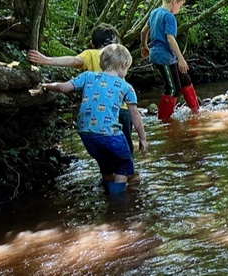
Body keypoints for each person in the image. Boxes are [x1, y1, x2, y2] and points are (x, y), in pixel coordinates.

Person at [40, 44, 148, 195]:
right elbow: (134, 115)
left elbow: (63, 88)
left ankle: (108, 192)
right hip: (111, 134)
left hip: (86, 134)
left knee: (105, 165)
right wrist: (142, 138)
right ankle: (118, 206)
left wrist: (45, 85)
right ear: (124, 64)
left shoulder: (88, 76)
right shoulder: (126, 87)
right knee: (123, 166)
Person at [27, 23, 138, 153]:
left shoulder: (91, 54)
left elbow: (74, 61)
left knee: (104, 152)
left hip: (99, 114)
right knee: (126, 152)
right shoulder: (120, 56)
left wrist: (46, 60)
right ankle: (128, 172)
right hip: (122, 110)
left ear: (92, 43)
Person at [141, 0, 199, 122]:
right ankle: (164, 121)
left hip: (160, 54)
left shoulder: (154, 13)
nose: (179, 9)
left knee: (185, 79)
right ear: (174, 2)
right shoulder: (169, 16)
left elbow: (144, 31)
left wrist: (144, 45)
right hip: (163, 57)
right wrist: (181, 59)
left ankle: (196, 111)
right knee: (173, 88)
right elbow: (170, 38)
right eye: (180, 5)